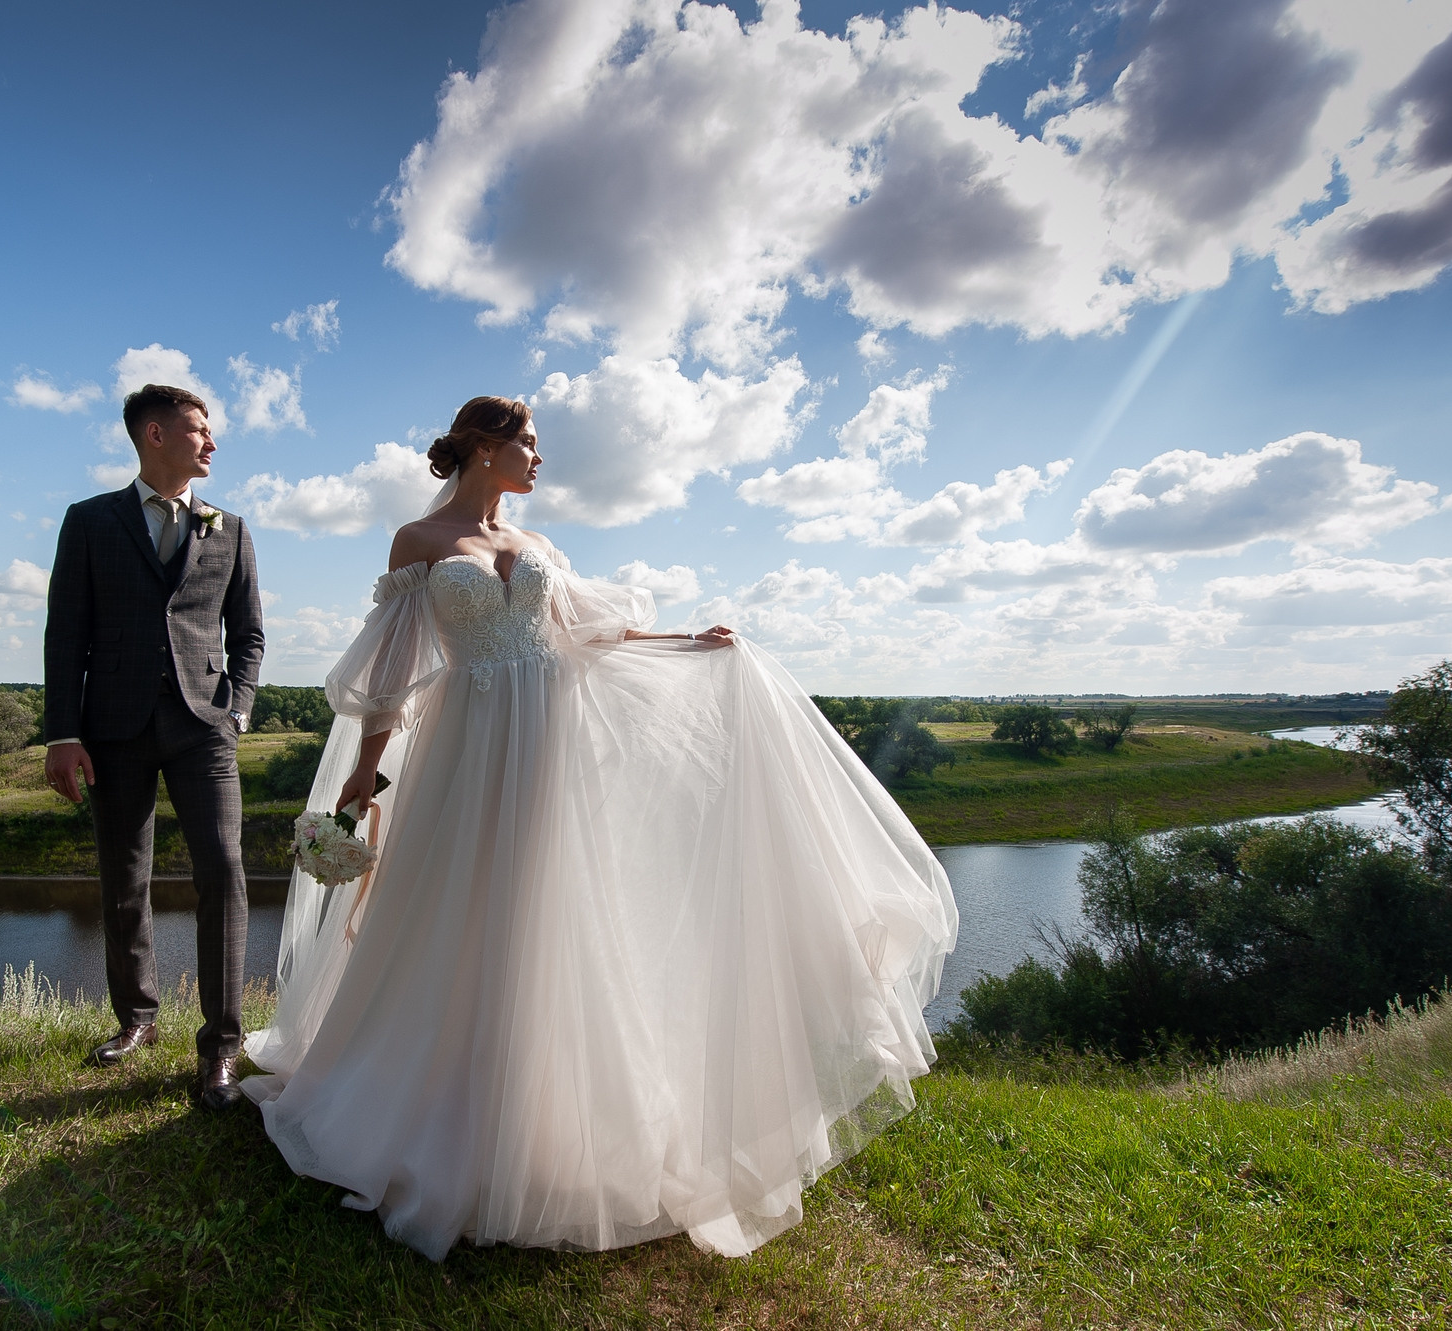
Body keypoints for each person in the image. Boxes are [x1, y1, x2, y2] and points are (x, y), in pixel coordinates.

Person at [243, 395, 957, 1258]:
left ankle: (541, 1113)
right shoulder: (420, 544)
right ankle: (430, 1102)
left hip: (549, 747)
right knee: (460, 911)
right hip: (468, 749)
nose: (539, 460)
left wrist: (689, 640)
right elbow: (393, 666)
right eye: (528, 443)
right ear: (480, 445)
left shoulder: (539, 549)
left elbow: (590, 634)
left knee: (546, 912)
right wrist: (367, 767)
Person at [43, 383, 264, 1111]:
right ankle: (136, 1017)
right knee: (123, 878)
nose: (212, 441)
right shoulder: (88, 522)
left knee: (224, 874)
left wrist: (237, 708)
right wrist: (63, 732)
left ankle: (221, 1049)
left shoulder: (230, 527)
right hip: (112, 726)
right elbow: (65, 633)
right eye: (200, 428)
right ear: (154, 434)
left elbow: (250, 632)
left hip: (204, 727)